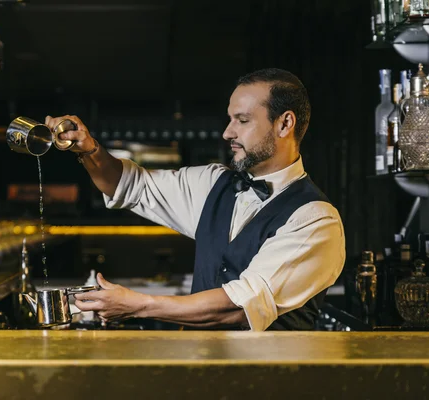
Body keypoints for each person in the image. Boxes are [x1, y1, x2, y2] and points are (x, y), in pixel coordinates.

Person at [45, 68, 346, 331]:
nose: (228, 132)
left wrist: (139, 304)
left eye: (242, 120)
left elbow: (239, 307)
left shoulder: (316, 220)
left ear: (284, 124)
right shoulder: (213, 183)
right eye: (230, 119)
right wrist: (88, 150)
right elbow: (130, 185)